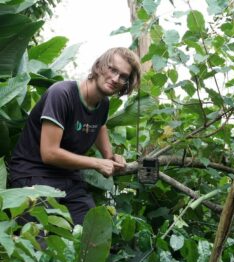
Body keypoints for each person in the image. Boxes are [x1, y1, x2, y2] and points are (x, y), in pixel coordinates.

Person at [9, 47, 141, 225]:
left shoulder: (103, 104)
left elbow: (99, 125)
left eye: (123, 76)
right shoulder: (61, 94)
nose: (116, 78)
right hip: (32, 175)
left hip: (68, 179)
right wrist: (97, 163)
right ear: (99, 66)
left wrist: (111, 158)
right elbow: (49, 153)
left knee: (92, 235)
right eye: (112, 69)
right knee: (41, 243)